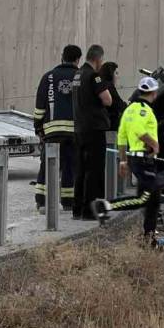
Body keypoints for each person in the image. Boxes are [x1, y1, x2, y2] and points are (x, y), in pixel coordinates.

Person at [92, 77, 161, 243]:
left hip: (135, 159)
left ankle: (149, 239)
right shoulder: (143, 109)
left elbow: (121, 137)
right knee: (145, 199)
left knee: (153, 200)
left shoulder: (129, 109)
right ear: (154, 92)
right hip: (143, 159)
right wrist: (155, 144)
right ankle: (106, 206)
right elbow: (138, 130)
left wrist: (123, 161)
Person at [33, 44, 81, 212]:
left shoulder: (49, 77)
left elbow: (40, 106)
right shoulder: (80, 76)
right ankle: (68, 202)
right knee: (71, 166)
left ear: (62, 57)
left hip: (52, 132)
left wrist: (38, 127)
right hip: (75, 132)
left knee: (47, 166)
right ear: (77, 59)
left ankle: (42, 201)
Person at [71, 44, 113, 220]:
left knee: (81, 170)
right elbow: (108, 100)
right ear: (97, 59)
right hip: (94, 129)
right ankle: (90, 211)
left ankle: (78, 209)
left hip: (79, 128)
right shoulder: (93, 76)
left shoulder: (78, 74)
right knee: (94, 171)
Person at [99, 61, 128, 131]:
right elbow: (119, 105)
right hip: (110, 125)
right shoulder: (109, 87)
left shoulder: (101, 85)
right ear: (110, 74)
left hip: (101, 125)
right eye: (116, 73)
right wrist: (126, 103)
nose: (118, 76)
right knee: (111, 141)